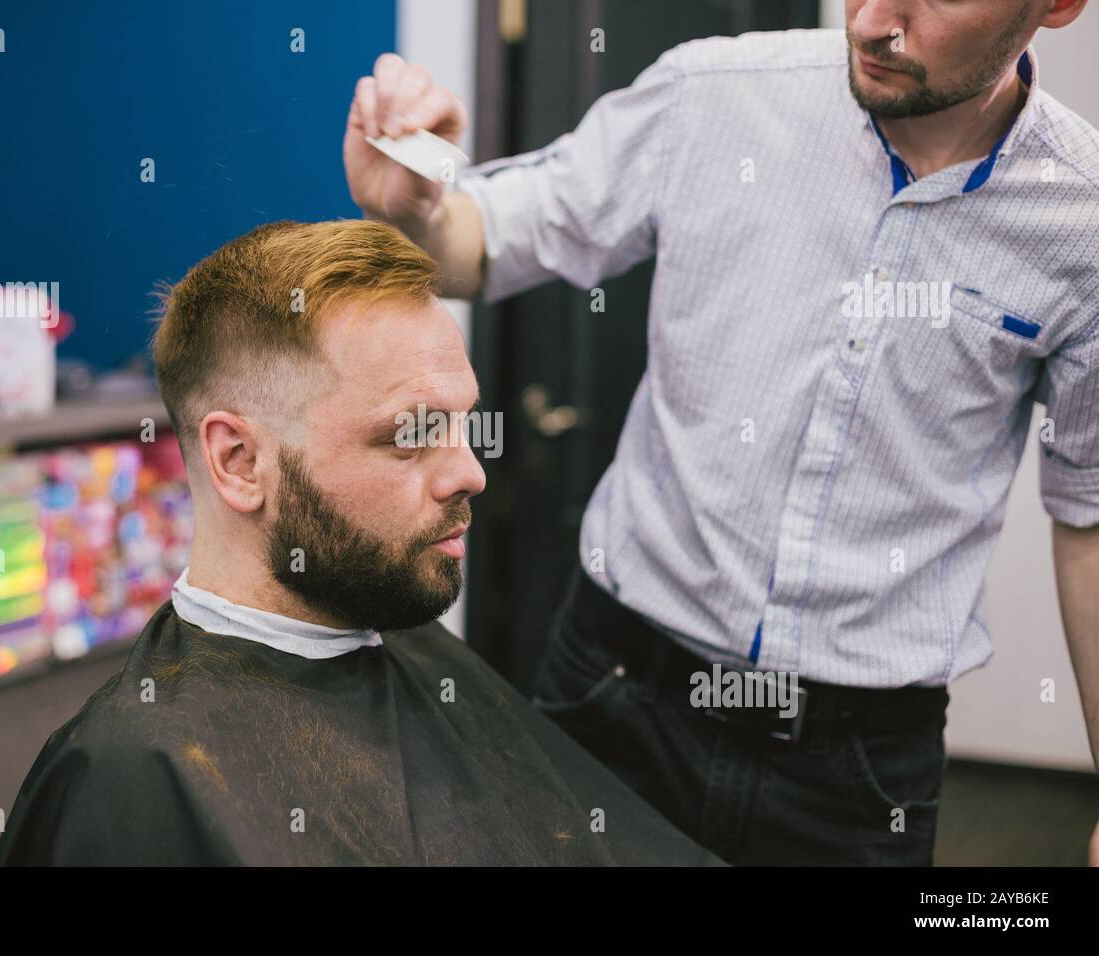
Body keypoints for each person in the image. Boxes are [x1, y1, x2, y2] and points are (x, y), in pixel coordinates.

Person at [343, 0, 1099, 865]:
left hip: (857, 765)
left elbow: (1089, 511)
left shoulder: (1083, 224)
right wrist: (413, 208)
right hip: (617, 693)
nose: (875, 21)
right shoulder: (713, 92)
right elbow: (478, 247)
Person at [0, 219, 724, 866]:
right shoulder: (135, 776)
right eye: (412, 435)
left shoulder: (415, 649)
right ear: (240, 463)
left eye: (465, 422)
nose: (469, 473)